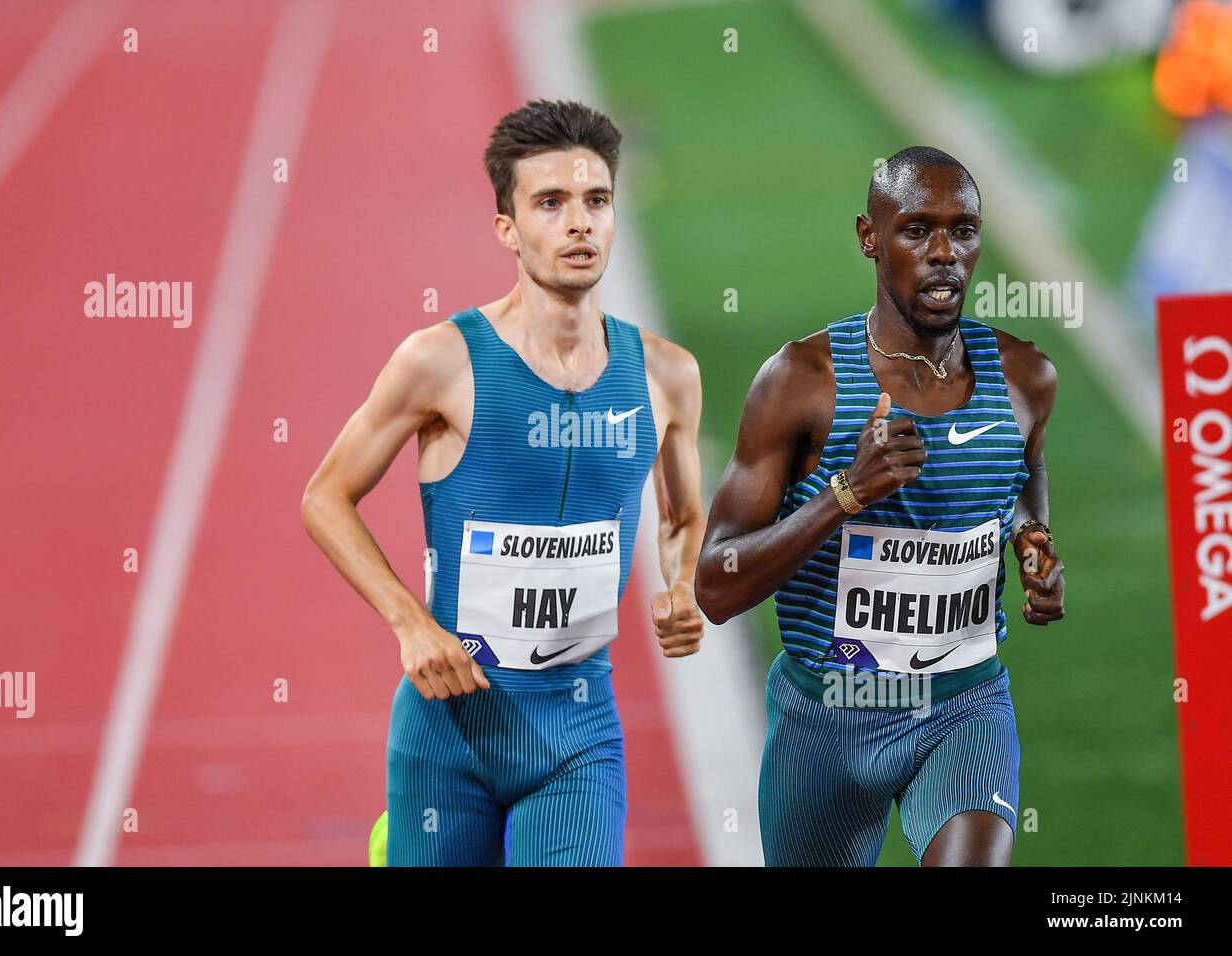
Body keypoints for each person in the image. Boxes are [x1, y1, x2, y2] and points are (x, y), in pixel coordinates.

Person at [301, 100, 706, 866]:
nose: (579, 223)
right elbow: (325, 496)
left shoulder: (666, 376)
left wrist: (681, 586)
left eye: (596, 200)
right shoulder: (439, 361)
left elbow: (682, 514)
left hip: (579, 734)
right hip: (447, 734)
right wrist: (410, 624)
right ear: (507, 230)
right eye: (550, 204)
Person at [696, 146, 1065, 866]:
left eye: (963, 231)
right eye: (916, 230)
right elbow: (715, 584)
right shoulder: (800, 383)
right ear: (870, 237)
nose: (943, 255)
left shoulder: (1026, 375)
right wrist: (845, 495)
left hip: (963, 705)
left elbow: (1022, 465)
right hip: (824, 717)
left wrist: (1034, 537)